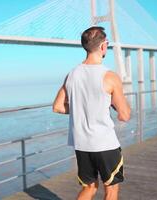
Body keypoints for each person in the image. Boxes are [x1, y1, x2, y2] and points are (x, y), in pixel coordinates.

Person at [52, 26, 131, 200]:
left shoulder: (71, 75)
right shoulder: (109, 76)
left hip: (82, 144)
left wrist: (82, 109)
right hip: (105, 144)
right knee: (111, 190)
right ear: (104, 46)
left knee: (89, 188)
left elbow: (57, 106)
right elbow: (124, 115)